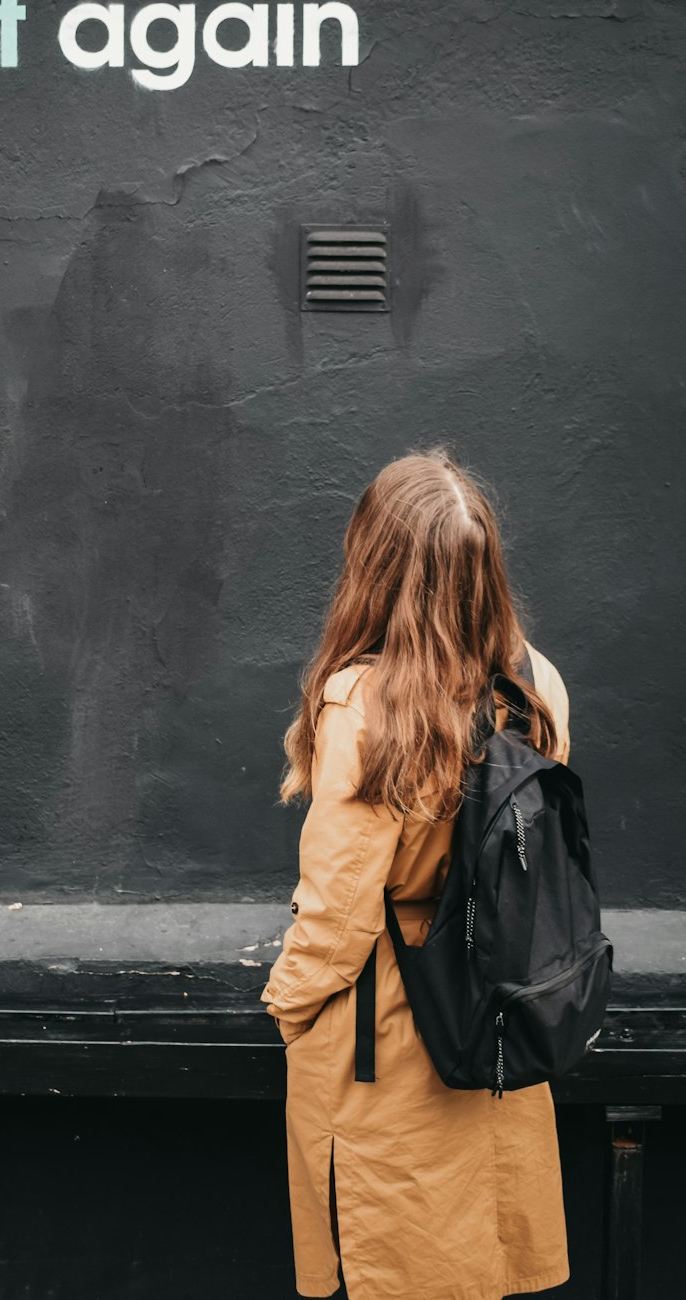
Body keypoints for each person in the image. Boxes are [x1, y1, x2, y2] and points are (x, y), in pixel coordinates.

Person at [260, 447, 572, 1299]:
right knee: (478, 1258)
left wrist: (287, 1007)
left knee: (394, 1269)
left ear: (375, 565)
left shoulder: (365, 704)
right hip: (494, 1013)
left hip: (388, 1039)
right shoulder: (534, 683)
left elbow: (339, 907)